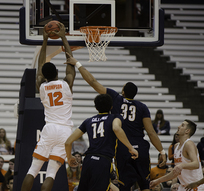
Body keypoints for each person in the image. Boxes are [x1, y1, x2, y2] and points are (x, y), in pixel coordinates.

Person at [65, 55, 166, 191]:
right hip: (140, 147)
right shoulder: (142, 107)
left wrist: (77, 63)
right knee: (144, 185)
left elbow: (92, 81)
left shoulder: (115, 100)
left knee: (123, 185)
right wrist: (162, 151)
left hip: (120, 149)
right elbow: (151, 132)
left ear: (123, 92)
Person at [21, 22, 76, 191]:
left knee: (33, 169)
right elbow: (70, 62)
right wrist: (64, 38)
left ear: (44, 75)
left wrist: (44, 41)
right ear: (58, 73)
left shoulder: (42, 86)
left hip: (50, 128)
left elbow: (40, 67)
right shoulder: (66, 83)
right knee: (51, 173)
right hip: (65, 132)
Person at [65, 94, 138, 191]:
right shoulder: (115, 117)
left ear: (96, 107)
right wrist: (131, 148)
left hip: (88, 161)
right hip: (103, 161)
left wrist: (69, 157)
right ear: (111, 107)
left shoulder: (88, 121)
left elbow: (68, 142)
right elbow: (116, 128)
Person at [150, 120, 204, 191]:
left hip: (195, 186)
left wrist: (182, 165)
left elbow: (196, 164)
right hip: (183, 186)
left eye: (182, 125)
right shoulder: (176, 146)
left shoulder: (189, 144)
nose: (178, 126)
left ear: (187, 131)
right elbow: (175, 173)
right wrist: (158, 181)